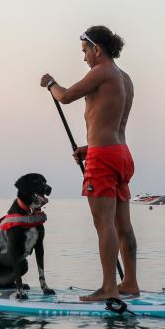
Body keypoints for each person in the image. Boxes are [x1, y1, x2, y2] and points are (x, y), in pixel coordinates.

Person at [40, 26, 139, 302]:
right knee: (123, 225)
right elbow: (110, 120)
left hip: (104, 158)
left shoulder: (102, 71)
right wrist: (89, 148)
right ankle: (129, 282)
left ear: (97, 48)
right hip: (121, 153)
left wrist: (50, 83)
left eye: (85, 51)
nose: (84, 57)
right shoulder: (125, 78)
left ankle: (109, 287)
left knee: (103, 223)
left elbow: (66, 95)